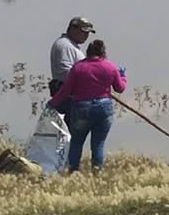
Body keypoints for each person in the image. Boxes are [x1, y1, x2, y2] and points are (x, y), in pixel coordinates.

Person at [49, 38, 126, 173]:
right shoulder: (111, 67)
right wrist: (123, 76)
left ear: (87, 52)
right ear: (103, 53)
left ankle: (73, 171)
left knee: (77, 142)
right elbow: (119, 88)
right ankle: (97, 172)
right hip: (104, 108)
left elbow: (66, 90)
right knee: (98, 144)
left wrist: (52, 103)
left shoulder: (78, 68)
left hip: (82, 108)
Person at [48, 16, 92, 112]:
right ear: (73, 28)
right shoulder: (65, 46)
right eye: (83, 31)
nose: (86, 35)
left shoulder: (71, 45)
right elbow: (65, 72)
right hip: (68, 97)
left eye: (88, 33)